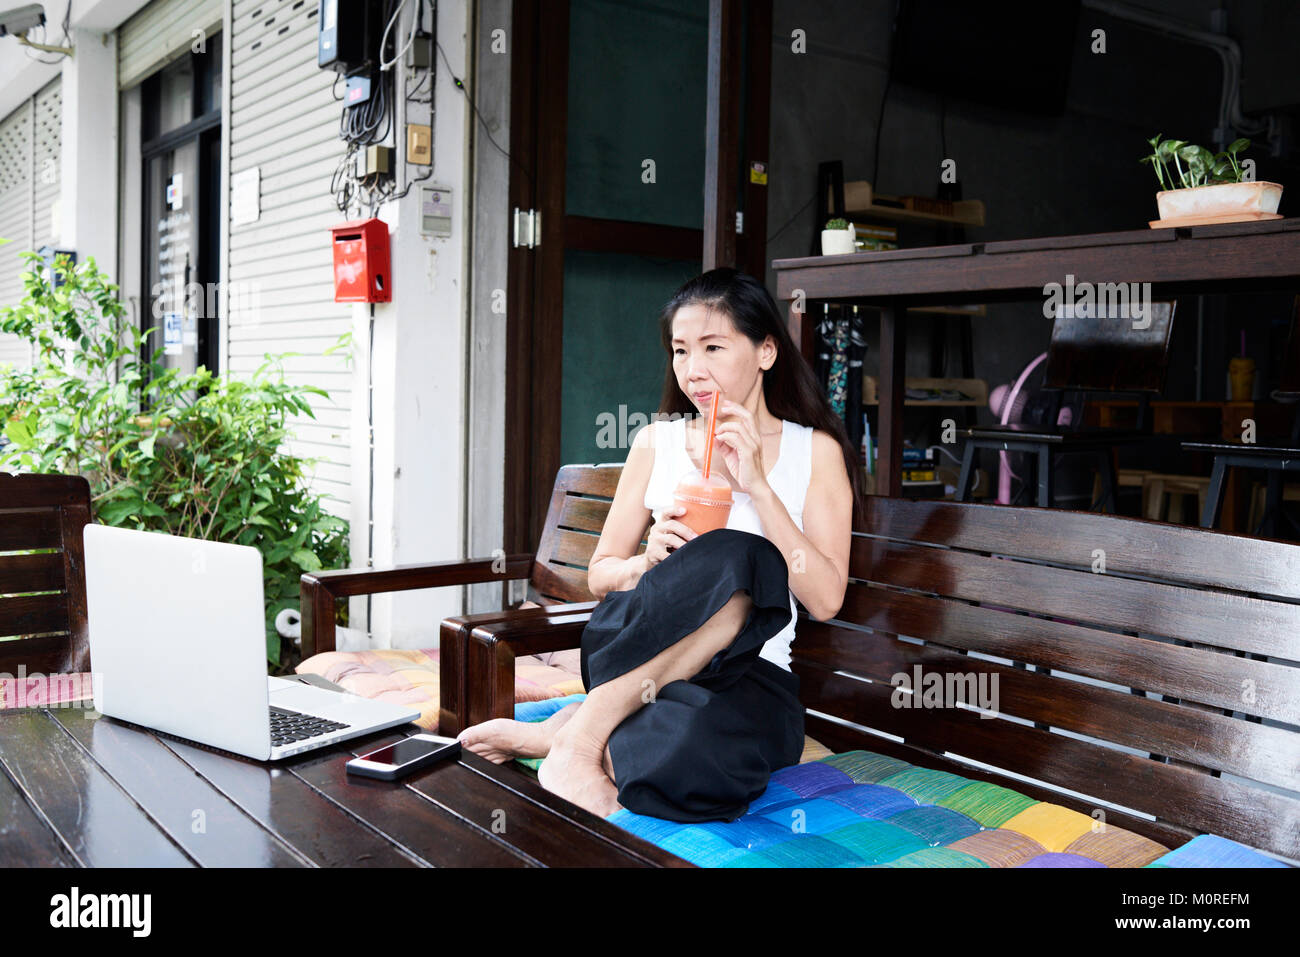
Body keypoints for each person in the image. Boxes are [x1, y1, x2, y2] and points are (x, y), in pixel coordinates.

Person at [458, 267, 863, 821]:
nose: (693, 371)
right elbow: (599, 574)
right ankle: (581, 745)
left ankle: (571, 730)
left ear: (766, 351)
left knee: (690, 754)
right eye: (680, 351)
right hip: (636, 648)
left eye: (713, 347)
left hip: (751, 676)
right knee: (734, 552)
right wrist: (644, 562)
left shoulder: (814, 452)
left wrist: (759, 489)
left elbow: (825, 600)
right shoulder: (658, 442)